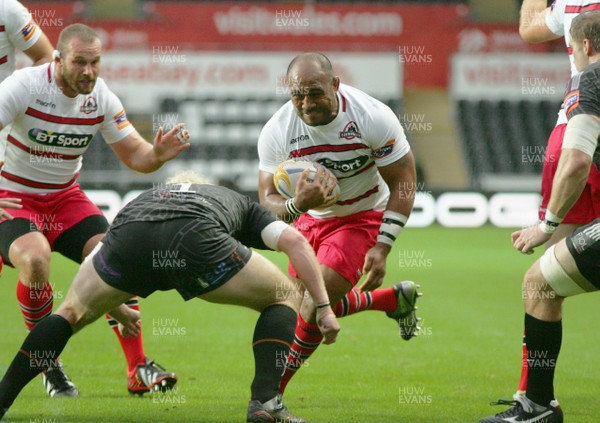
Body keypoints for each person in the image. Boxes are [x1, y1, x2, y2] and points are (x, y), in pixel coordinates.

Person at [0, 172, 340, 423]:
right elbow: (295, 242)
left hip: (130, 235)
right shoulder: (235, 201)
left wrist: (119, 311)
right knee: (282, 295)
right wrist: (323, 307)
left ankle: (2, 399)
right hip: (197, 238)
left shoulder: (145, 199)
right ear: (204, 184)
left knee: (69, 313)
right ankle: (266, 403)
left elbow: (98, 263)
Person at [0, 23, 189, 398]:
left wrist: (157, 156)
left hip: (65, 197)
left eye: (95, 62)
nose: (89, 71)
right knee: (36, 261)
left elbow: (136, 154)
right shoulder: (24, 86)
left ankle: (138, 368)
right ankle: (47, 363)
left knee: (115, 255)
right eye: (79, 62)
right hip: (15, 196)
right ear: (57, 59)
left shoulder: (100, 97)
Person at [257, 52, 421, 394]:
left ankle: (271, 394)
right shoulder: (277, 130)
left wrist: (383, 244)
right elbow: (267, 199)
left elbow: (403, 181)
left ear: (335, 84)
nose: (306, 103)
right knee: (307, 302)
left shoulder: (371, 117)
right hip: (310, 220)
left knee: (311, 308)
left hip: (361, 217)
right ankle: (391, 300)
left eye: (315, 92)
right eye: (297, 94)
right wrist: (295, 205)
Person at [480, 10, 600, 422]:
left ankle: (535, 404)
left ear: (582, 47)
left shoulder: (590, 80)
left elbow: (577, 161)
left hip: (571, 148)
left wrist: (546, 224)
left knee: (541, 284)